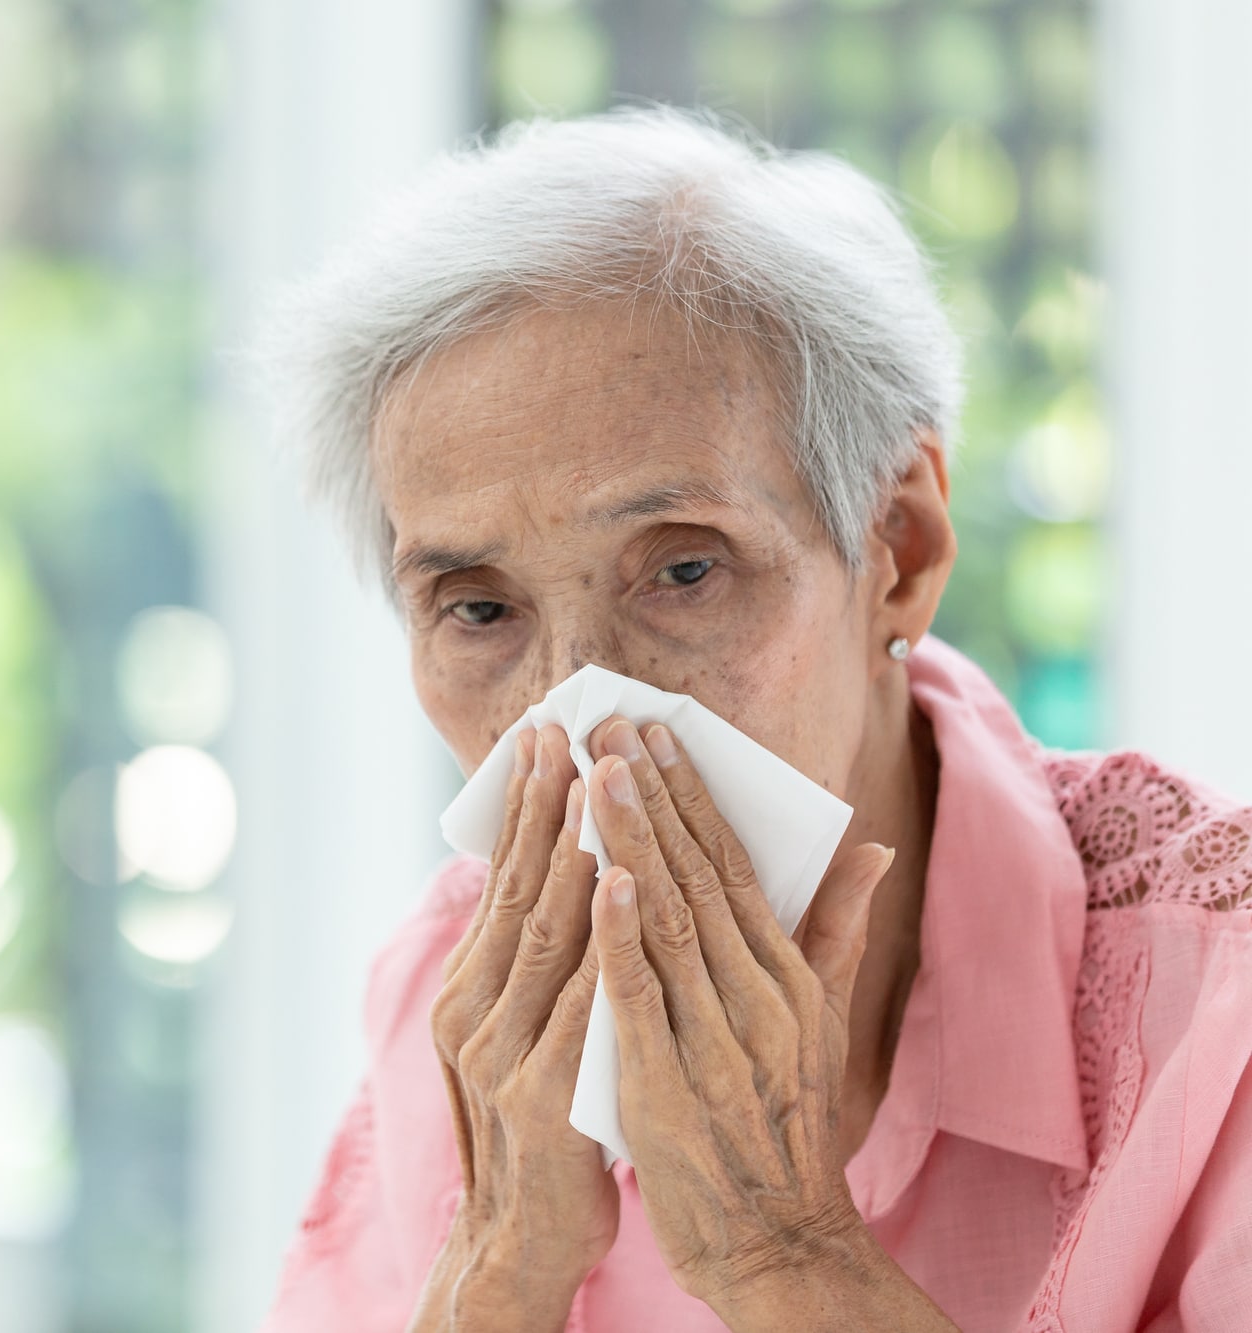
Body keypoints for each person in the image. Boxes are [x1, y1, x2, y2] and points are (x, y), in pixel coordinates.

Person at [250, 107, 1252, 1332]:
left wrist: (781, 1250)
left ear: (898, 549)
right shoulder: (455, 1002)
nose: (573, 720)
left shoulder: (1220, 1006)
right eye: (477, 608)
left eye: (682, 572)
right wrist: (499, 1272)